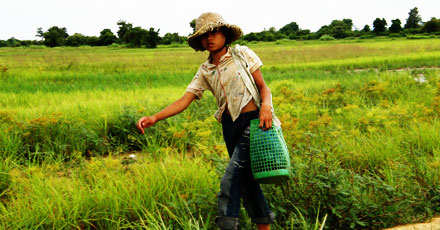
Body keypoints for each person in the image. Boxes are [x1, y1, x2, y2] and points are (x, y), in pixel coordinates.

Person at [137, 12, 280, 230]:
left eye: (214, 33)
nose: (210, 38)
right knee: (247, 183)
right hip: (230, 128)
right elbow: (185, 100)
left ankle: (226, 225)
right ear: (201, 42)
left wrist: (267, 106)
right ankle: (264, 226)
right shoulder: (205, 70)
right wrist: (155, 117)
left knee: (230, 180)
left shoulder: (242, 55)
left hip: (252, 124)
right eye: (205, 36)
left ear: (225, 34)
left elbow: (263, 87)